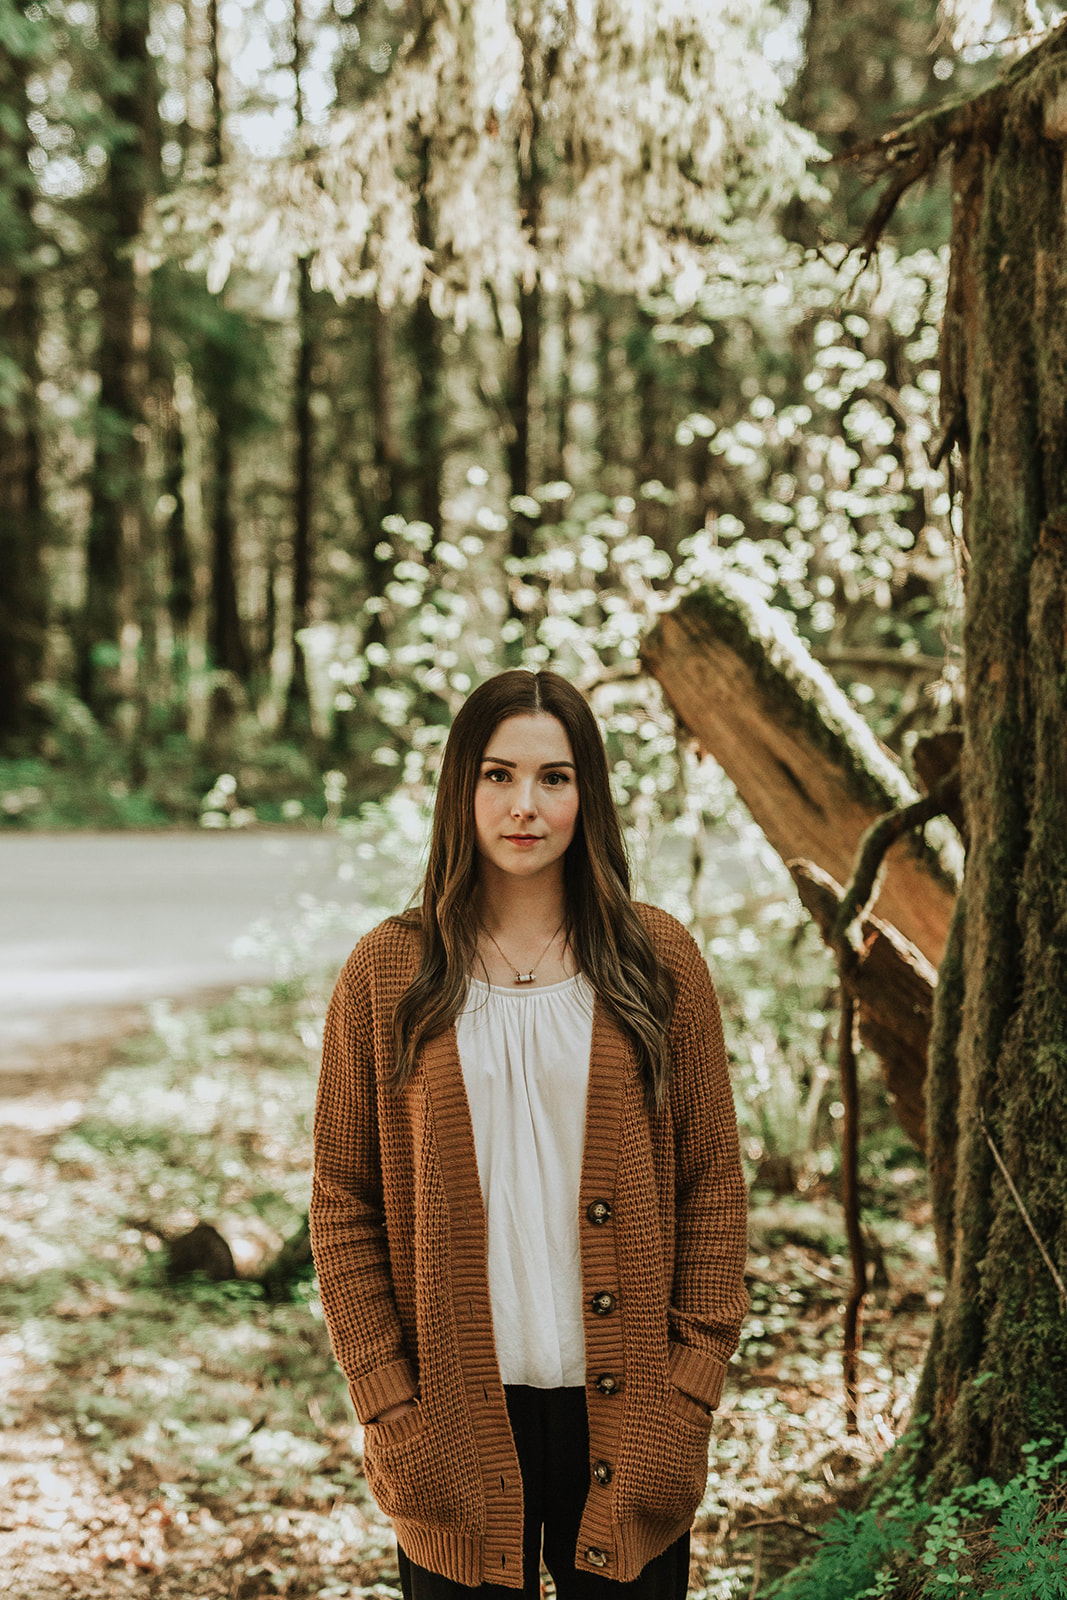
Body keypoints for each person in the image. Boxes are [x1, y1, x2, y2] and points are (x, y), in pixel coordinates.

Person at [310, 669, 749, 1600]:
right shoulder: (389, 972)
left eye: (554, 778)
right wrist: (386, 1396)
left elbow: (711, 1183)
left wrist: (692, 1377)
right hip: (450, 1421)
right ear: (459, 791)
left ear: (586, 792)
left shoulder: (655, 961)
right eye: (497, 775)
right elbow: (342, 1200)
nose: (524, 805)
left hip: (631, 1416)